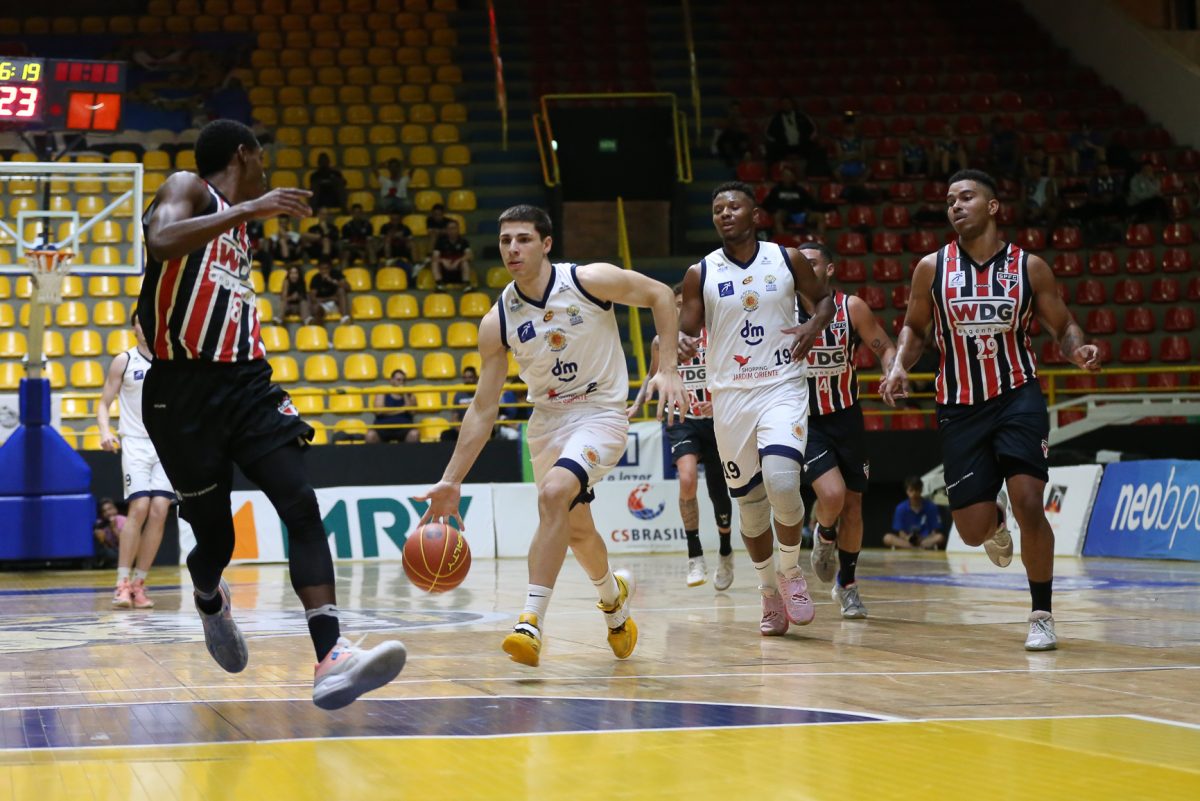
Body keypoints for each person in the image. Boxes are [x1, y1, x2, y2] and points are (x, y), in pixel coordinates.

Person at [137, 118, 405, 708]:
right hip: (181, 391)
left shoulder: (237, 229)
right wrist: (248, 209)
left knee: (300, 504)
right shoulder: (189, 187)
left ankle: (332, 658)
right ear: (244, 154)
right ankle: (209, 598)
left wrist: (245, 216)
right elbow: (160, 241)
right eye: (261, 157)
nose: (266, 170)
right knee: (217, 539)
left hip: (247, 384)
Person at [418, 204, 687, 668]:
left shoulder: (588, 281)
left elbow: (661, 294)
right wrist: (451, 479)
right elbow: (483, 408)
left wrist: (668, 368)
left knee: (553, 492)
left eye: (523, 239)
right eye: (505, 240)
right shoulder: (498, 320)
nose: (513, 248)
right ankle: (614, 601)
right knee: (578, 531)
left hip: (600, 413)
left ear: (546, 244)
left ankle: (530, 622)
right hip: (547, 423)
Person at [881, 168, 1101, 651]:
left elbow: (1063, 326)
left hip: (1017, 395)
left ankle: (1041, 613)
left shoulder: (1029, 267)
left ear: (993, 206)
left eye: (965, 197)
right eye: (949, 201)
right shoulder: (932, 268)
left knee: (1030, 501)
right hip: (959, 405)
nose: (955, 206)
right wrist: (898, 366)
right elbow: (915, 329)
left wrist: (1077, 350)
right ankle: (994, 522)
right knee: (971, 529)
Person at [677, 182, 835, 636]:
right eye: (717, 209)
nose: (725, 213)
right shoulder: (700, 272)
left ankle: (790, 572)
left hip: (781, 386)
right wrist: (680, 342)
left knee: (783, 481)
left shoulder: (787, 259)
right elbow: (687, 328)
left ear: (756, 215)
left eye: (734, 206)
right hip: (730, 397)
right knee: (749, 505)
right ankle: (768, 592)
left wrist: (814, 324)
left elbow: (824, 299)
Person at [796, 242, 897, 619]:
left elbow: (884, 347)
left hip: (846, 416)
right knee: (833, 494)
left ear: (829, 269)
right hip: (804, 419)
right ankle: (824, 532)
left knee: (853, 506)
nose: (803, 268)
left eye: (811, 263)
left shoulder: (851, 307)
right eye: (798, 264)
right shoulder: (781, 310)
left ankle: (848, 585)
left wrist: (892, 370)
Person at [628, 284, 735, 590]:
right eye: (674, 304)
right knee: (687, 478)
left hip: (715, 420)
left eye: (683, 304)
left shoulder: (715, 335)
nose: (678, 309)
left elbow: (733, 374)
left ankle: (725, 550)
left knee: (719, 491)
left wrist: (722, 401)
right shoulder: (661, 341)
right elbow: (653, 375)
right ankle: (694, 555)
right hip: (681, 418)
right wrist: (637, 404)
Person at [97, 312, 174, 609]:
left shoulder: (171, 360)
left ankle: (139, 584)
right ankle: (122, 583)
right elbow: (104, 403)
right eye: (142, 321)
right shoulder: (124, 361)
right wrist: (105, 431)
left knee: (160, 510)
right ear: (134, 329)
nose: (147, 326)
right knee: (139, 506)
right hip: (135, 442)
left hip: (165, 445)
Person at [762, 167, 829, 237]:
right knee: (777, 216)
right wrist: (775, 210)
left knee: (820, 216)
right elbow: (766, 204)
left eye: (789, 176)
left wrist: (824, 208)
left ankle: (820, 238)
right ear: (782, 177)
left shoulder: (800, 190)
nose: (787, 178)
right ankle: (782, 238)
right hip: (785, 215)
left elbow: (811, 203)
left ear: (793, 177)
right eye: (785, 176)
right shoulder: (776, 190)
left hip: (801, 214)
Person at [882, 476, 945, 550]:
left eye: (916, 490)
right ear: (907, 491)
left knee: (940, 537)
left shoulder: (931, 507)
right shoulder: (900, 508)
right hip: (907, 541)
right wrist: (908, 538)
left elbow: (934, 531)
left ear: (921, 490)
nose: (914, 493)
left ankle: (918, 547)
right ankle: (915, 548)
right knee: (887, 538)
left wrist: (922, 538)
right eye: (911, 490)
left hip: (925, 540)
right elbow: (901, 533)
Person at [365, 369, 419, 444]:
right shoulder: (382, 393)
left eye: (403, 380)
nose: (401, 382)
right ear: (391, 381)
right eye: (398, 380)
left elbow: (412, 412)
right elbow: (379, 411)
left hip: (404, 429)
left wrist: (404, 394)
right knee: (370, 435)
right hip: (383, 428)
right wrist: (402, 409)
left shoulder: (410, 395)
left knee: (414, 434)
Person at [431, 219, 473, 289]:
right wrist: (442, 260)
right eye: (449, 228)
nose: (452, 231)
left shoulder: (464, 241)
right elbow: (434, 256)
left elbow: (469, 255)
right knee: (434, 263)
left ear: (458, 229)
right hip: (444, 270)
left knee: (465, 262)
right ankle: (439, 285)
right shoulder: (440, 241)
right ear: (446, 230)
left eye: (454, 228)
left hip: (458, 270)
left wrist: (458, 261)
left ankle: (467, 285)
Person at [308, 258, 350, 324]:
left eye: (326, 268)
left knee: (341, 290)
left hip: (337, 304)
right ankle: (319, 328)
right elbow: (313, 298)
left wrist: (333, 281)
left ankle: (345, 318)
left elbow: (348, 288)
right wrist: (331, 298)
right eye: (322, 269)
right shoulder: (316, 278)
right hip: (323, 305)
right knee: (316, 308)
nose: (324, 271)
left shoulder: (336, 274)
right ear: (319, 269)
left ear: (330, 268)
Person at [340, 203, 377, 268]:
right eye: (355, 212)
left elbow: (369, 241)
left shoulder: (367, 225)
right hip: (351, 249)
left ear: (362, 213)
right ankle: (343, 273)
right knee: (346, 254)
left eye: (359, 212)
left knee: (369, 249)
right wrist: (355, 248)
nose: (357, 214)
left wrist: (360, 248)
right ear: (352, 213)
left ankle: (372, 271)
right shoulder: (346, 227)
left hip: (364, 248)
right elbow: (345, 244)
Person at [93, 498, 125, 569]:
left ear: (115, 509)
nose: (108, 513)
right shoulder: (100, 524)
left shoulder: (123, 520)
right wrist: (103, 540)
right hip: (113, 552)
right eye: (104, 511)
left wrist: (114, 528)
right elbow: (109, 547)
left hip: (125, 551)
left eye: (110, 509)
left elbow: (125, 544)